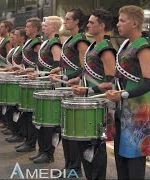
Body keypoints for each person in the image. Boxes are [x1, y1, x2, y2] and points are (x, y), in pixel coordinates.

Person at [106, 5, 150, 179]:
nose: (118, 24)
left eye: (122, 20)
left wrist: (123, 95)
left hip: (137, 110)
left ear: (135, 23)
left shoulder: (144, 46)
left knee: (134, 158)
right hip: (122, 108)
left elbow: (149, 82)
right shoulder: (125, 45)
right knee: (121, 157)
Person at [68, 9, 117, 179]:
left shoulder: (106, 48)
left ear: (102, 26)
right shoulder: (92, 45)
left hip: (101, 105)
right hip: (89, 102)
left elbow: (111, 81)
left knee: (97, 144)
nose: (87, 25)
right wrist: (78, 79)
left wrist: (89, 90)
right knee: (85, 142)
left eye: (91, 22)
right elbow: (90, 72)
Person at [49, 8, 90, 177]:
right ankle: (68, 166)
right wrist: (58, 70)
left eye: (67, 19)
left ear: (77, 22)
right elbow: (68, 64)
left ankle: (74, 168)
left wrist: (65, 76)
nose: (64, 22)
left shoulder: (81, 41)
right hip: (66, 87)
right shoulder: (69, 39)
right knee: (65, 129)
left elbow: (84, 69)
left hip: (74, 89)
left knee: (72, 129)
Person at [27, 16, 62, 164]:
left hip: (50, 86)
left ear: (54, 28)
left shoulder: (55, 43)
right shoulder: (47, 42)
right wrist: (36, 71)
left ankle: (48, 153)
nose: (43, 28)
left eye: (46, 25)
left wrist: (44, 75)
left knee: (48, 122)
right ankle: (42, 150)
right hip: (43, 84)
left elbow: (57, 66)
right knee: (41, 120)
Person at [14, 17, 42, 153]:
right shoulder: (29, 42)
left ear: (35, 29)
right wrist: (23, 69)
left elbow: (39, 63)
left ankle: (31, 143)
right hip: (28, 78)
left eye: (28, 27)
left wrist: (31, 70)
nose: (26, 29)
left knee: (31, 113)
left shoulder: (37, 43)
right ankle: (26, 139)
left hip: (35, 81)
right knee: (25, 112)